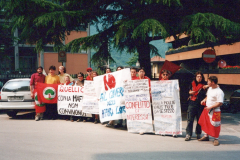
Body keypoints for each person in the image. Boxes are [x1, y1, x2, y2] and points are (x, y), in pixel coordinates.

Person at [198, 76, 224, 146]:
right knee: (205, 122)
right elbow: (208, 96)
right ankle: (206, 136)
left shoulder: (219, 92)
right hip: (207, 108)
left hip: (215, 110)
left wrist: (211, 107)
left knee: (215, 125)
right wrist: (204, 100)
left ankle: (216, 139)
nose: (207, 82)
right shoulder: (210, 88)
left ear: (212, 82)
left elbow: (220, 103)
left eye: (208, 81)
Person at [185, 71, 208, 141]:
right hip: (192, 103)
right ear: (195, 77)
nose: (199, 78)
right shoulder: (192, 83)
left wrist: (207, 86)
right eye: (198, 76)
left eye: (200, 77)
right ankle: (188, 134)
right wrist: (190, 92)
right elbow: (188, 91)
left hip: (200, 104)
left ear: (202, 77)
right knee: (190, 120)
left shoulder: (205, 84)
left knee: (199, 120)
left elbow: (209, 92)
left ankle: (198, 134)